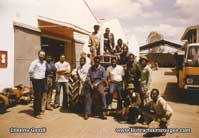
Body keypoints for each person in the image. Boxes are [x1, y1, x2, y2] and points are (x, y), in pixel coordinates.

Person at [29, 50, 46, 119]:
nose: (42, 56)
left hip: (42, 80)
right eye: (41, 54)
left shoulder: (44, 62)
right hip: (36, 80)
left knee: (41, 96)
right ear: (38, 55)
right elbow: (30, 70)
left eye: (43, 55)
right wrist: (33, 78)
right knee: (37, 96)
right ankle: (36, 113)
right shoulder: (35, 62)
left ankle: (39, 110)